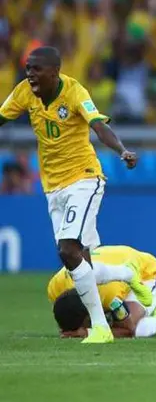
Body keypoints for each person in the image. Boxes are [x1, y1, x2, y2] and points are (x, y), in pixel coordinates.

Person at [0, 46, 146, 344]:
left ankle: (100, 329)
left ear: (55, 73)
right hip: (53, 188)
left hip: (84, 179)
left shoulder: (75, 92)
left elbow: (99, 127)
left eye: (36, 69)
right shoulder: (24, 92)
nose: (30, 74)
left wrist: (122, 151)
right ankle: (127, 274)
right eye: (28, 68)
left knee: (68, 250)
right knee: (81, 264)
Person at [49, 245, 156, 339]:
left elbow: (128, 330)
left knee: (136, 328)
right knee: (109, 322)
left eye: (87, 322)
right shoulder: (54, 288)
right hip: (113, 258)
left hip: (145, 272)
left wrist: (86, 332)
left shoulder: (109, 296)